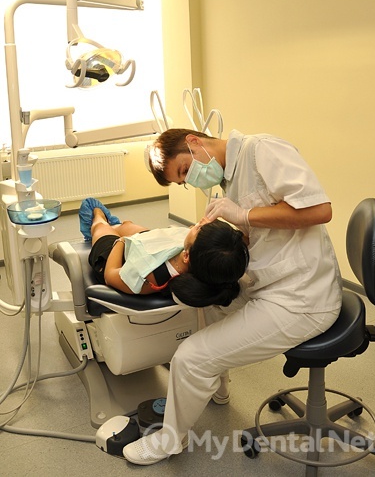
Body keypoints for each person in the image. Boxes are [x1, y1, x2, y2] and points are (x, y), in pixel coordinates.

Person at [121, 128, 342, 465]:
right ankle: (217, 384)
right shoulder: (229, 178)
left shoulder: (262, 151)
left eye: (184, 170)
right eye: (183, 181)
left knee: (190, 357)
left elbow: (319, 210)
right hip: (270, 281)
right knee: (207, 306)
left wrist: (243, 216)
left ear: (193, 142)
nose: (190, 180)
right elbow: (265, 229)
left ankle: (169, 441)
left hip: (301, 298)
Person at [78, 197, 249, 308]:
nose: (202, 221)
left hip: (116, 258)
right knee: (127, 225)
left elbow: (110, 275)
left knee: (97, 218)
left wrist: (121, 241)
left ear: (186, 255)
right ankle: (117, 225)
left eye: (199, 227)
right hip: (155, 250)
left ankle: (101, 219)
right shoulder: (209, 258)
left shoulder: (150, 277)